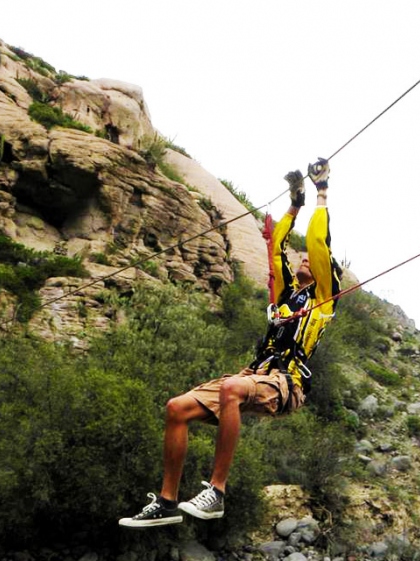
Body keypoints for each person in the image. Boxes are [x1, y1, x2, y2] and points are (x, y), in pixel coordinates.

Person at [119, 158, 341, 527]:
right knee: (177, 408)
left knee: (233, 389)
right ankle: (167, 501)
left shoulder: (322, 298)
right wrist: (294, 204)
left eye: (310, 260)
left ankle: (216, 492)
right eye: (301, 258)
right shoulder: (287, 296)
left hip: (286, 382)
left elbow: (319, 242)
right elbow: (276, 249)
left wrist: (321, 192)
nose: (305, 259)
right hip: (256, 374)